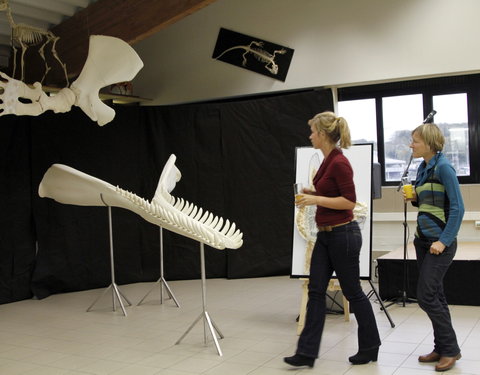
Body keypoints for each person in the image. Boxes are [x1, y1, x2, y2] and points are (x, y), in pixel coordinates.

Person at [284, 111, 381, 368]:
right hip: (326, 237)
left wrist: (315, 198)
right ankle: (306, 353)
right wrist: (312, 191)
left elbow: (349, 201)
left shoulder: (339, 162)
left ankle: (371, 346)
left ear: (324, 134)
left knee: (353, 292)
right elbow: (330, 193)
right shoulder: (328, 161)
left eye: (313, 131)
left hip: (343, 235)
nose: (310, 135)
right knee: (316, 291)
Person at [406, 123, 464, 372]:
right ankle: (442, 347)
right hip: (423, 240)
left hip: (440, 242)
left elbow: (458, 209)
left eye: (415, 141)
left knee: (426, 296)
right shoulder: (423, 167)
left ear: (429, 143)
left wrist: (444, 241)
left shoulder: (444, 167)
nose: (411, 145)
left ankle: (451, 349)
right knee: (436, 296)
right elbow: (429, 204)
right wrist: (415, 198)